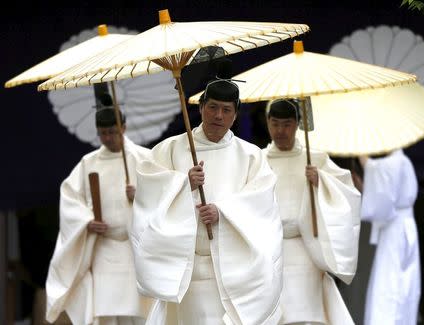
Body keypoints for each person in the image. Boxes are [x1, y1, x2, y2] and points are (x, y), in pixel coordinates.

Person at [131, 79, 283, 325]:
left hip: (231, 270)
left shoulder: (251, 156)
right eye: (212, 107)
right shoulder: (169, 149)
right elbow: (148, 197)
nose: (218, 116)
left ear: (235, 115)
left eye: (226, 110)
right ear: (201, 107)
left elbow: (262, 206)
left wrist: (223, 213)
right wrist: (183, 184)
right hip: (185, 271)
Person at [45, 104, 154, 325]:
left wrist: (142, 194)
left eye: (112, 132)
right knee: (105, 309)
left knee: (141, 311)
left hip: (136, 248)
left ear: (123, 128)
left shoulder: (145, 158)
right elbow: (70, 197)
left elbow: (166, 193)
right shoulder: (89, 162)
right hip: (105, 248)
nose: (107, 138)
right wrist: (86, 221)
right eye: (103, 133)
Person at [263, 99, 361, 325]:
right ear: (267, 123)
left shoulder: (315, 159)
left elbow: (347, 192)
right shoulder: (258, 159)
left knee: (307, 313)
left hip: (307, 249)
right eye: (275, 123)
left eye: (286, 124)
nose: (280, 130)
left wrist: (322, 182)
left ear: (298, 124)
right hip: (271, 249)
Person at [356, 151, 421, 325]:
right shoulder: (404, 162)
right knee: (403, 287)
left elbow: (374, 171)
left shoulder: (393, 163)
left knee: (388, 285)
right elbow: (385, 196)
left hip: (395, 232)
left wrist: (360, 153)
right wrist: (365, 187)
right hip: (405, 229)